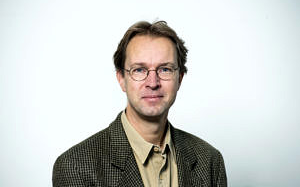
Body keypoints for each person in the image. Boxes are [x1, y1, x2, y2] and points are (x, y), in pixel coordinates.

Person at [52, 20, 227, 187]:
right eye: (139, 70)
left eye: (165, 69)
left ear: (179, 79)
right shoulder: (75, 166)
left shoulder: (210, 161)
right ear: (121, 79)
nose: (153, 82)